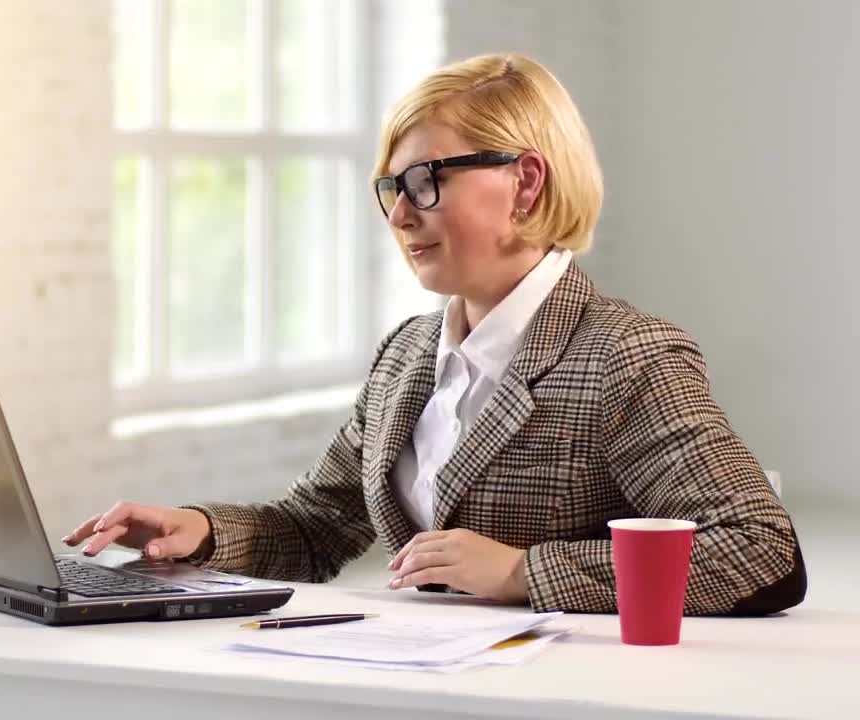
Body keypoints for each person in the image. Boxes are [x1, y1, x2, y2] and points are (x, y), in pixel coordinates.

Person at [65, 53, 806, 615]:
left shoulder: (626, 356)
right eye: (392, 188)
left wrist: (524, 571)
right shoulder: (410, 353)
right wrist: (195, 529)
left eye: (426, 181)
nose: (398, 216)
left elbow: (762, 549)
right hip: (436, 680)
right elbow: (320, 526)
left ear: (526, 183)